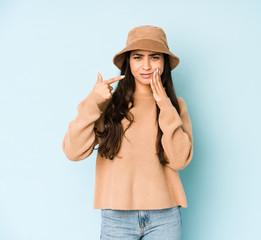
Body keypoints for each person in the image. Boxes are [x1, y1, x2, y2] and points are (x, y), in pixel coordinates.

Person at [62, 25, 193, 239]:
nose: (147, 65)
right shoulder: (108, 104)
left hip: (165, 217)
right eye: (138, 57)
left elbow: (179, 160)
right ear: (128, 62)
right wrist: (93, 101)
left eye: (155, 57)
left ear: (164, 63)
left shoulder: (176, 106)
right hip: (116, 217)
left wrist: (164, 105)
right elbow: (73, 151)